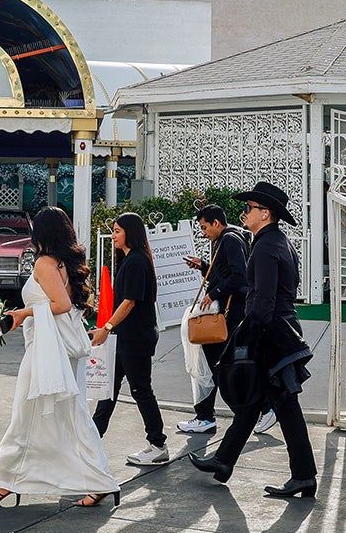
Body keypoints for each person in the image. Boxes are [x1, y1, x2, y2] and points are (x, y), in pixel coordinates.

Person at [0, 205, 119, 509]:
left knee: (28, 416)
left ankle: (6, 482)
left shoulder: (45, 263)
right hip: (60, 349)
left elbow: (61, 304)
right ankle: (96, 480)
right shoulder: (64, 263)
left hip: (49, 351)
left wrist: (21, 313)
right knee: (68, 416)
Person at [190, 180, 318, 499]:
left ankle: (303, 475)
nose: (243, 212)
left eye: (249, 208)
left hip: (272, 334)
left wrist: (246, 335)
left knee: (285, 405)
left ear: (266, 213)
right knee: (253, 404)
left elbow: (262, 301)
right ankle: (223, 462)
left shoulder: (265, 246)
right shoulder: (278, 242)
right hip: (279, 330)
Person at [90, 212, 167, 466]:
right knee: (108, 389)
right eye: (113, 231)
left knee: (140, 390)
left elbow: (129, 301)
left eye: (117, 231)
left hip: (135, 339)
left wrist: (107, 327)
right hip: (126, 338)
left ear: (130, 233)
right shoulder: (130, 260)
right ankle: (90, 439)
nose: (113, 236)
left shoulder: (135, 262)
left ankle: (157, 443)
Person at [177, 204, 249, 435]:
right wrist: (204, 267)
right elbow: (226, 274)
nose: (203, 232)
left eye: (205, 227)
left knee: (215, 364)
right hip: (229, 312)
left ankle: (209, 416)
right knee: (219, 364)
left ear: (217, 223)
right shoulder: (226, 240)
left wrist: (214, 294)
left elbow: (240, 276)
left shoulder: (229, 240)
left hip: (228, 313)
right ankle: (209, 415)